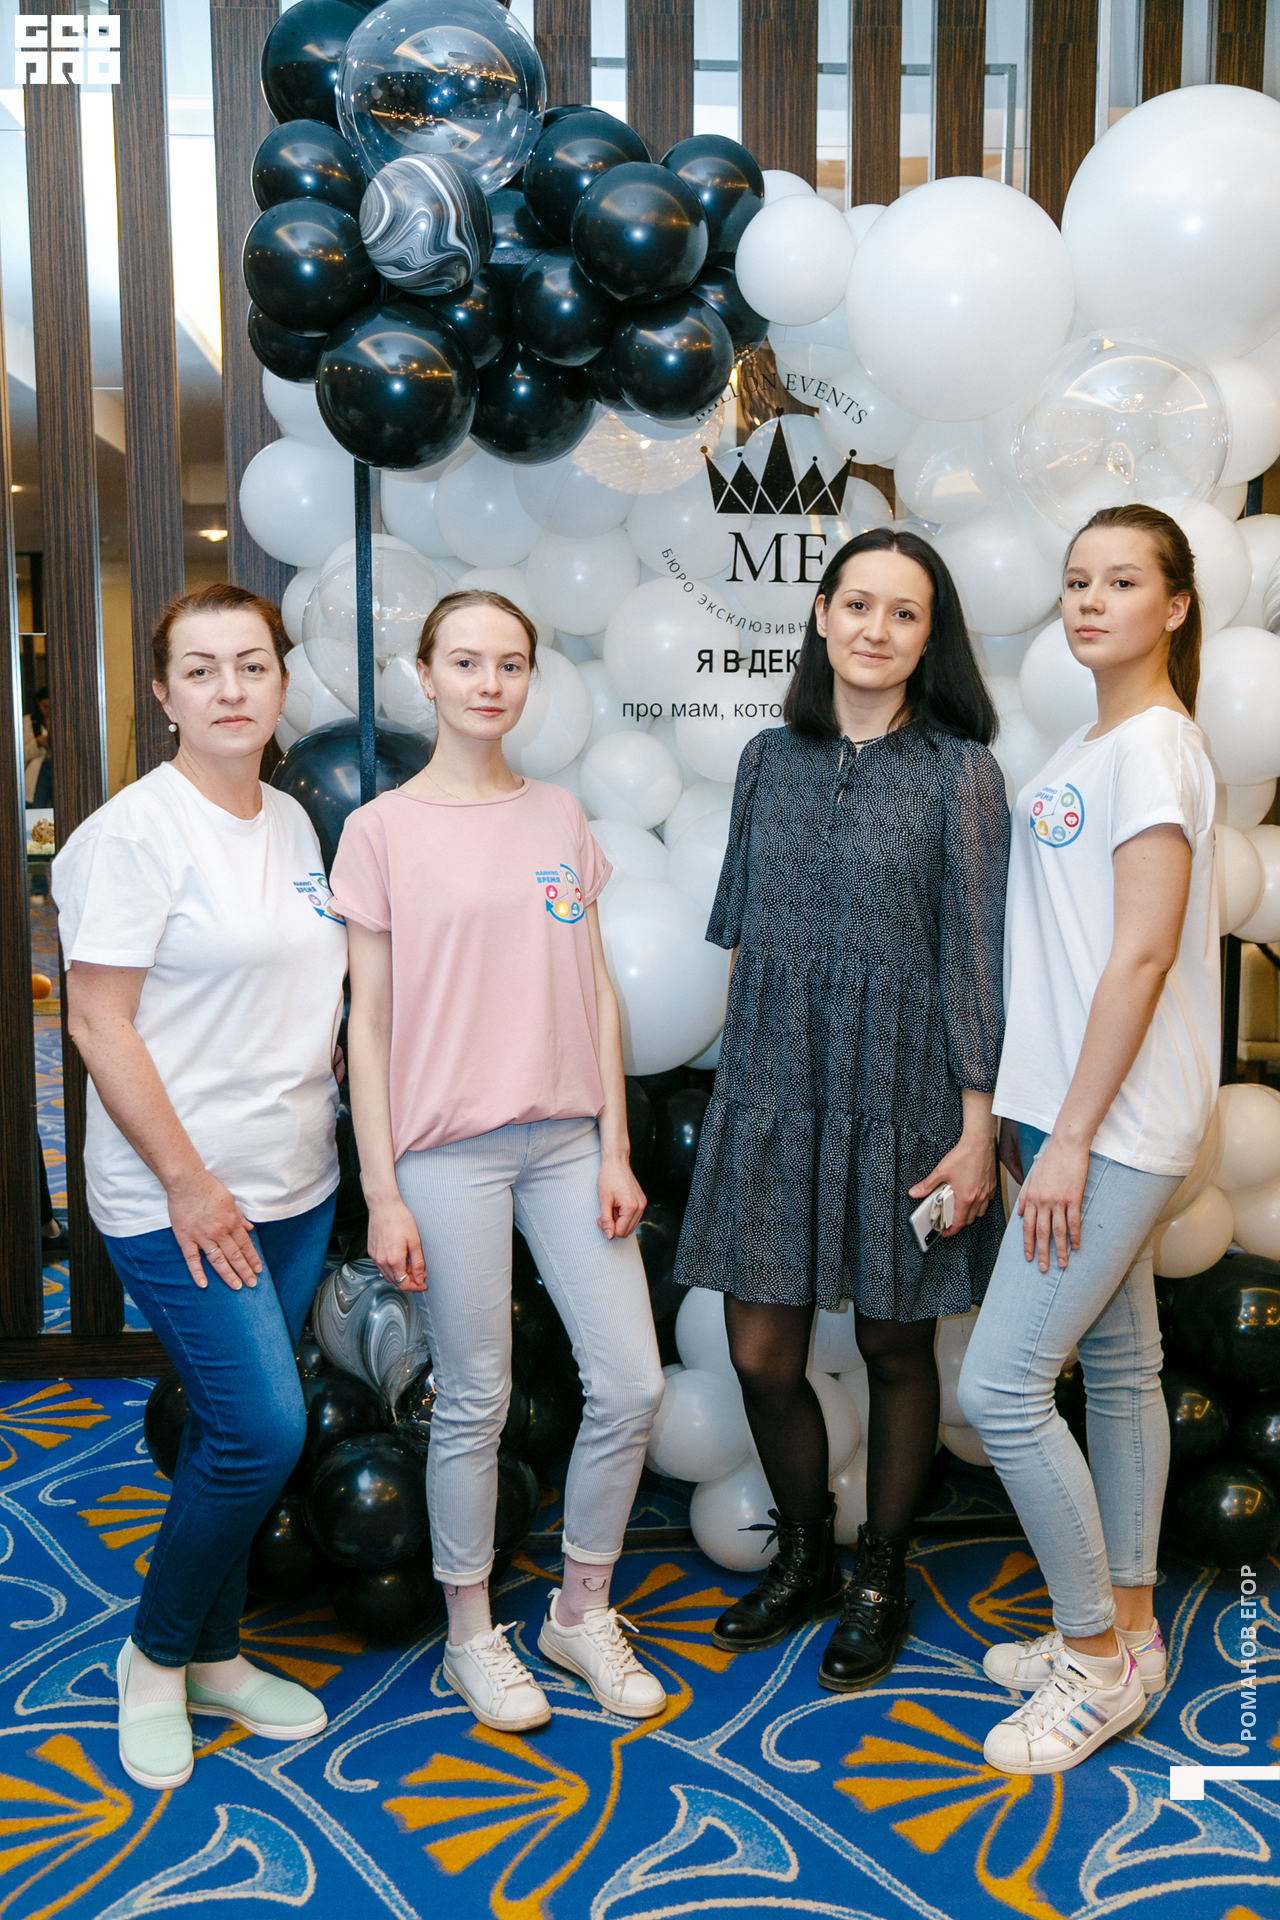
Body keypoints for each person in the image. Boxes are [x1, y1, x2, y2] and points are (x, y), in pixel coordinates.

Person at [674, 528, 1010, 1690]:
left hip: (902, 1091)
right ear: (819, 615)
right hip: (773, 1086)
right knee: (759, 1351)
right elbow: (738, 937)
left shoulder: (960, 773)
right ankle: (805, 1553)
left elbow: (974, 964)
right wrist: (740, 1095)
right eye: (856, 604)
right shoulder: (765, 760)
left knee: (890, 1344)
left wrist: (975, 1130)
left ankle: (879, 1574)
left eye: (902, 613)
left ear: (929, 637)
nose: (875, 629)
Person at [331, 587, 667, 1735]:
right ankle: (472, 1630)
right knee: (475, 1396)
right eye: (465, 661)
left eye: (510, 663)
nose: (488, 682)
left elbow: (595, 991)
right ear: (424, 677)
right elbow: (367, 1024)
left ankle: (580, 1610)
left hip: (568, 1141)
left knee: (631, 1383)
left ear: (530, 679)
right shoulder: (381, 831)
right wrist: (382, 1190)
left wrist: (615, 1145)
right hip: (446, 1152)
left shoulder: (558, 816)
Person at [54, 583, 348, 1792]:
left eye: (252, 665)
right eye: (201, 669)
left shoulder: (291, 821)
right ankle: (157, 1654)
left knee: (239, 1430)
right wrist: (188, 1184)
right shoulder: (131, 835)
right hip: (179, 1197)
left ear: (281, 682)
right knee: (263, 1427)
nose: (231, 690)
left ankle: (218, 1655)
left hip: (295, 1182)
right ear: (163, 692)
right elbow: (97, 1023)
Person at [958, 504, 1217, 1776]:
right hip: (1070, 1111)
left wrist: (1064, 1138)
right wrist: (1027, 1114)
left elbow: (1143, 954)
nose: (1088, 602)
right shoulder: (1088, 741)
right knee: (1118, 1370)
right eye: (1074, 581)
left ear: (1173, 606)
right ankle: (1132, 1631)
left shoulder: (1156, 745)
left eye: (1119, 582)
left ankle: (1093, 1663)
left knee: (999, 1389)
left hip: (1112, 1126)